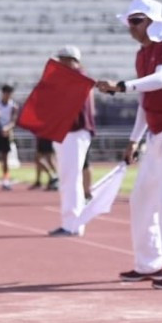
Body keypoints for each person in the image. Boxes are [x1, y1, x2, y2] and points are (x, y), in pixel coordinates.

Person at [97, 0, 162, 288]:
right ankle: (149, 263)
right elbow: (145, 100)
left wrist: (121, 86)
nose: (131, 27)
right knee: (141, 198)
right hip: (156, 134)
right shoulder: (142, 54)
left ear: (153, 22)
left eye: (136, 20)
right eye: (129, 21)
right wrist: (133, 140)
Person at [48, 46, 96, 237]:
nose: (59, 63)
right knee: (69, 178)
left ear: (71, 61)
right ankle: (72, 222)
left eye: (62, 60)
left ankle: (72, 223)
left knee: (71, 178)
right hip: (68, 132)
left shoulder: (77, 79)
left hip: (74, 132)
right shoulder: (72, 79)